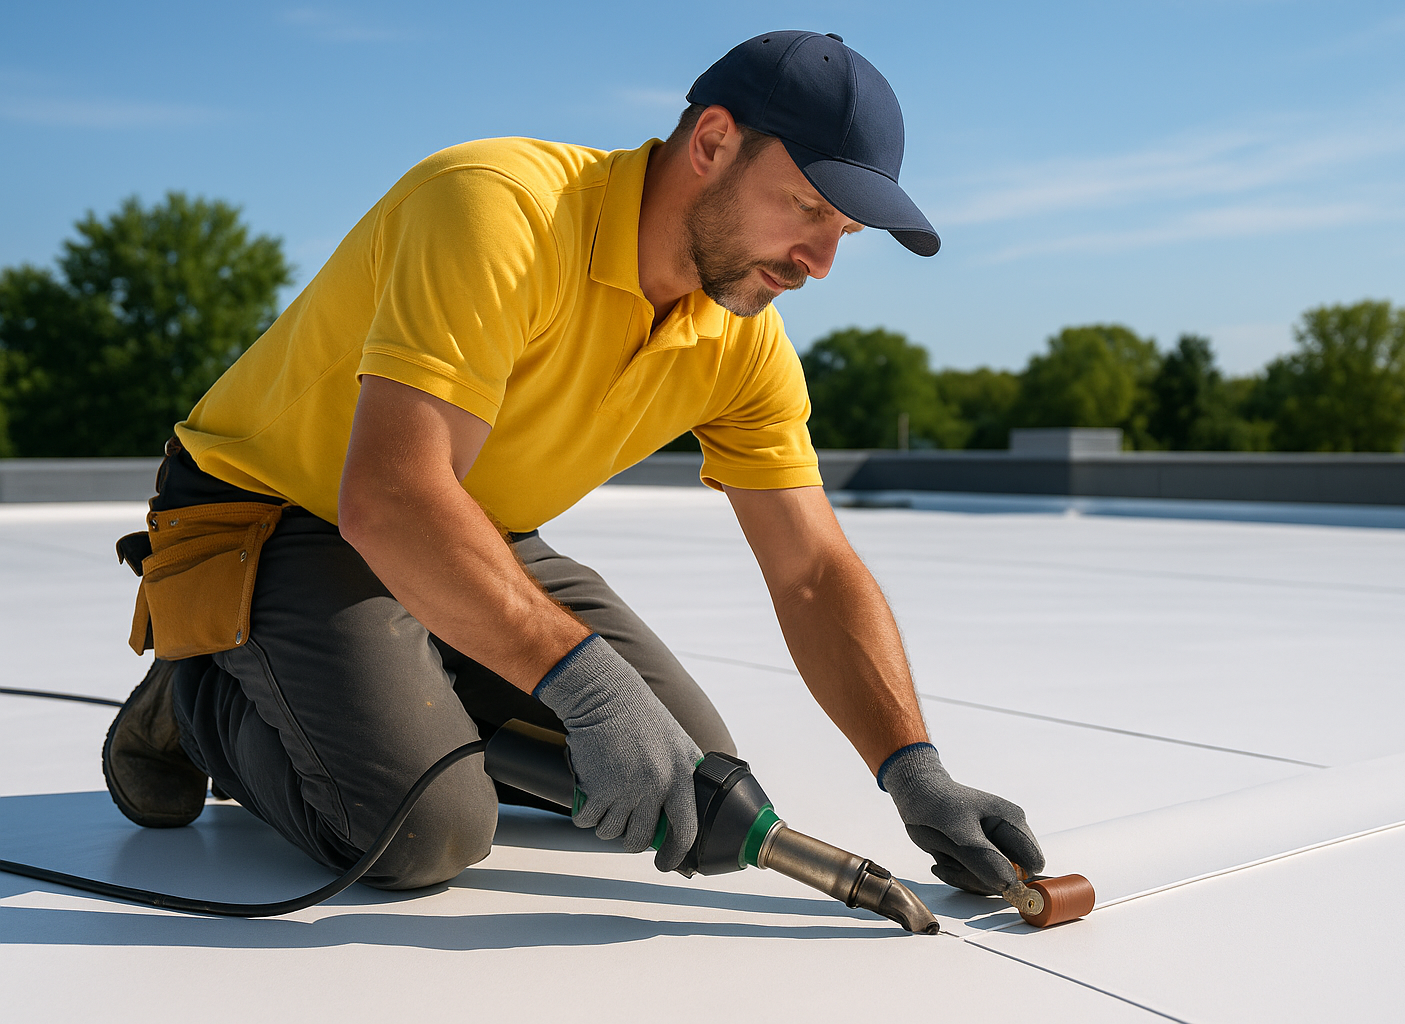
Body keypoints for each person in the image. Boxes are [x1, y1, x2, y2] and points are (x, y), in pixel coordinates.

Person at [103, 30, 1044, 898]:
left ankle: (391, 689)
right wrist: (587, 687)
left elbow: (811, 571)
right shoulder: (498, 209)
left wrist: (912, 769)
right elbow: (391, 497)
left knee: (693, 784)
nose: (821, 262)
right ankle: (201, 695)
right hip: (278, 517)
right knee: (425, 828)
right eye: (808, 207)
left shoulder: (740, 337)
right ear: (713, 142)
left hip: (466, 530)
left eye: (846, 231)